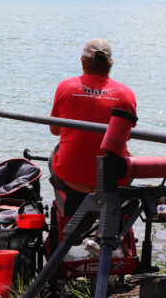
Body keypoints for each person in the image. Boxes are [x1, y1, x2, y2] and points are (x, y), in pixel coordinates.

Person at [49, 38, 137, 212]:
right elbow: (124, 136)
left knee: (55, 153)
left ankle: (66, 212)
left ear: (82, 61)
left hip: (71, 180)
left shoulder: (65, 87)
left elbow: (55, 130)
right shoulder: (127, 94)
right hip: (112, 181)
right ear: (110, 64)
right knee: (129, 156)